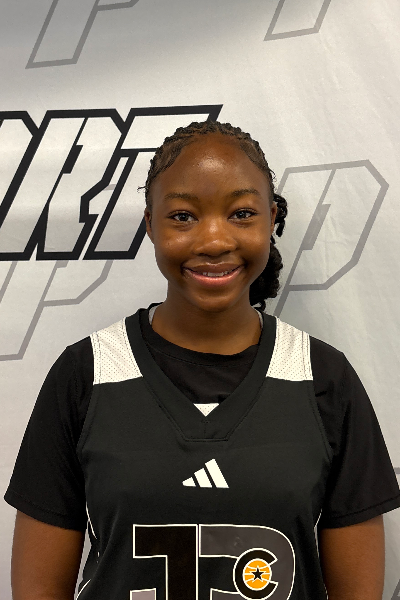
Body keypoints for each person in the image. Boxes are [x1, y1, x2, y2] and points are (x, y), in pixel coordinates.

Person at [5, 120, 400, 600]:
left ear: (271, 218)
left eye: (241, 213)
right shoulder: (85, 375)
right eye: (183, 216)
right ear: (149, 224)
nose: (214, 241)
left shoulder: (324, 378)